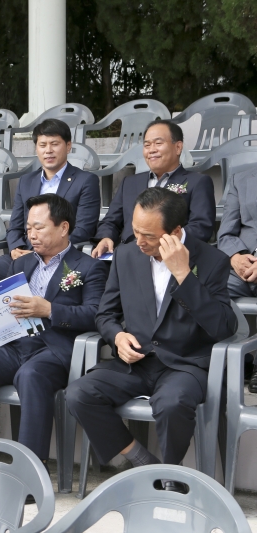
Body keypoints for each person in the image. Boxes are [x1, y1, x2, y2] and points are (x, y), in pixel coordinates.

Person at [66, 188, 236, 477]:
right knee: (78, 394)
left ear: (176, 231)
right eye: (135, 231)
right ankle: (142, 460)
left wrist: (183, 275)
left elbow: (223, 327)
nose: (140, 242)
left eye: (150, 236)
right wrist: (118, 338)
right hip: (136, 362)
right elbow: (105, 314)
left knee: (172, 403)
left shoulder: (212, 260)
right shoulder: (126, 255)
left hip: (185, 364)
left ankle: (171, 477)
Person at [0, 194, 107, 467]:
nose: (32, 235)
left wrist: (49, 310)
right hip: (15, 343)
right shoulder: (21, 263)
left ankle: (31, 466)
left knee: (31, 374)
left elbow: (96, 315)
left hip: (54, 351)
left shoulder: (89, 268)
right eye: (28, 229)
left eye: (40, 228)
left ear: (64, 228)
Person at [0, 119, 101, 285]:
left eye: (54, 144)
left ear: (68, 146)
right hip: (22, 258)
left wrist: (45, 250)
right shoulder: (27, 181)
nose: (48, 151)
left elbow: (84, 229)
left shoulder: (86, 181)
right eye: (42, 145)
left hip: (59, 259)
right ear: (36, 148)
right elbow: (15, 226)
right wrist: (15, 248)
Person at [92, 119, 215, 258]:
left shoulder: (197, 182)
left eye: (158, 143)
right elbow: (110, 221)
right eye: (147, 145)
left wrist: (160, 245)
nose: (151, 150)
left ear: (178, 147)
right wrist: (105, 237)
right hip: (129, 256)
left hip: (169, 256)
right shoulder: (130, 182)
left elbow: (201, 227)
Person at [218, 166, 257, 392]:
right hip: (242, 265)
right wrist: (236, 256)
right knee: (209, 290)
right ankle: (239, 362)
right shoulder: (240, 177)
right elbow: (226, 233)